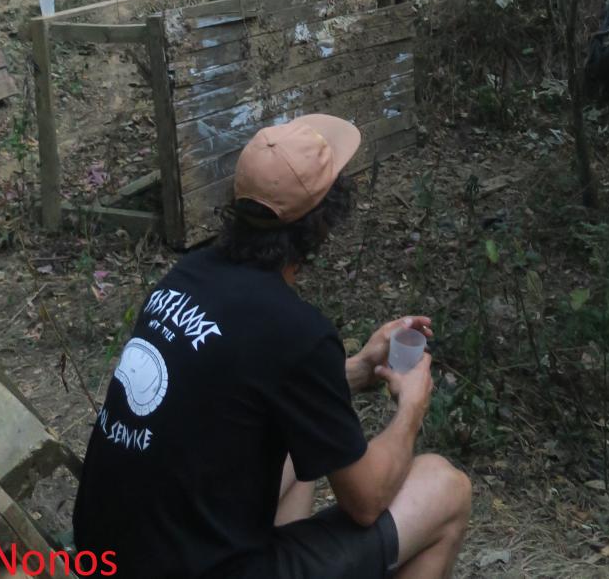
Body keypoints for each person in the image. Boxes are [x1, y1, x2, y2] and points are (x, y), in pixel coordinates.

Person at [72, 113, 472, 579]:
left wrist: (358, 369)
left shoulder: (187, 276)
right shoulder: (296, 332)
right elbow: (365, 502)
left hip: (106, 557)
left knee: (292, 453)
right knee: (447, 487)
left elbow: (237, 392)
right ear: (322, 225)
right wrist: (412, 408)